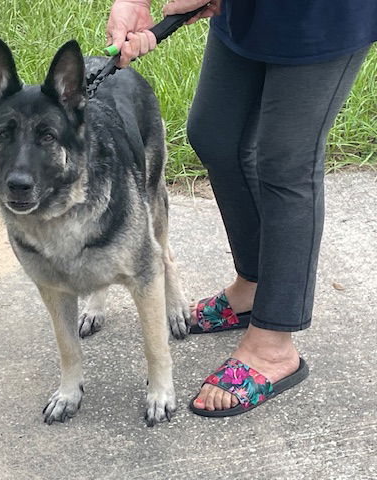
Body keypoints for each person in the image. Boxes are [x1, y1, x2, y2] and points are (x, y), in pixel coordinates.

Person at [106, 0, 376, 416]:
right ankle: (252, 287)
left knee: (286, 162)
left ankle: (274, 344)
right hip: (250, 13)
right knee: (216, 134)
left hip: (323, 15)